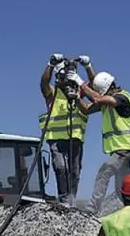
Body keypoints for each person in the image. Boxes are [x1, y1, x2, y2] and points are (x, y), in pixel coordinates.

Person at [76, 68, 130, 215]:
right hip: (121, 148)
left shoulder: (121, 98)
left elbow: (97, 98)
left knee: (105, 171)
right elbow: (86, 109)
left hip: (126, 147)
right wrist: (76, 98)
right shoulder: (108, 100)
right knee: (121, 183)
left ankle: (92, 208)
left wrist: (80, 83)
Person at [39, 53, 91, 206]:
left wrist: (87, 67)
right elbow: (43, 82)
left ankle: (72, 199)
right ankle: (64, 198)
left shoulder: (77, 92)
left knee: (74, 171)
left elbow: (93, 85)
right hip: (56, 138)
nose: (65, 81)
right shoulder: (52, 92)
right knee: (60, 168)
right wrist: (50, 64)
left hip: (75, 138)